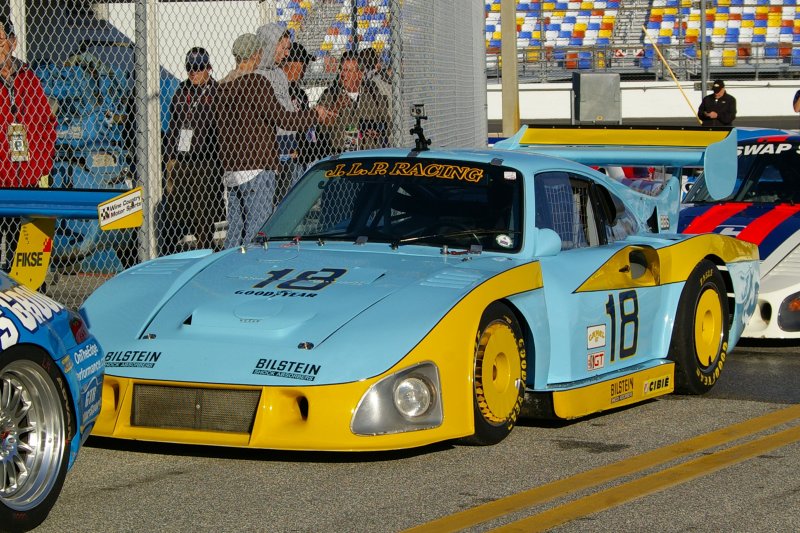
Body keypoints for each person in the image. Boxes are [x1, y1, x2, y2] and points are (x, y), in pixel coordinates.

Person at [215, 27, 335, 249]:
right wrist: (314, 114)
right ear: (257, 54)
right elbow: (284, 119)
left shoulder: (223, 85)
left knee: (235, 229)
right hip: (257, 166)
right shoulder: (257, 83)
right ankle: (252, 268)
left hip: (232, 169)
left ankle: (229, 265)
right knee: (257, 226)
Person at [0, 17, 56, 270]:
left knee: (24, 256)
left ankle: (29, 302)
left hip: (26, 182)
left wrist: (41, 165)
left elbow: (47, 125)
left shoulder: (28, 79)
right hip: (1, 181)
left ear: (12, 43)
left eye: (0, 41)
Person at [162, 47, 224, 253]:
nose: (193, 73)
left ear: (208, 68)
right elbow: (174, 126)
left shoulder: (217, 91)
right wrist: (169, 157)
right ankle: (182, 247)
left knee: (202, 210)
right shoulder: (182, 90)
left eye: (198, 68)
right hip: (182, 159)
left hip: (207, 159)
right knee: (177, 207)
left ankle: (205, 248)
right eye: (190, 68)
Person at [316, 49, 389, 156]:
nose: (343, 74)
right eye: (341, 70)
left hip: (370, 154)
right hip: (342, 156)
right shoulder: (330, 95)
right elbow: (321, 127)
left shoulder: (373, 93)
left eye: (348, 71)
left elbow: (388, 122)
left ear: (359, 74)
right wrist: (336, 107)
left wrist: (379, 131)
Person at [277, 41, 317, 198]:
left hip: (301, 158)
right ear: (292, 63)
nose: (306, 68)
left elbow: (309, 129)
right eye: (303, 62)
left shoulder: (300, 93)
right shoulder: (278, 89)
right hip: (283, 158)